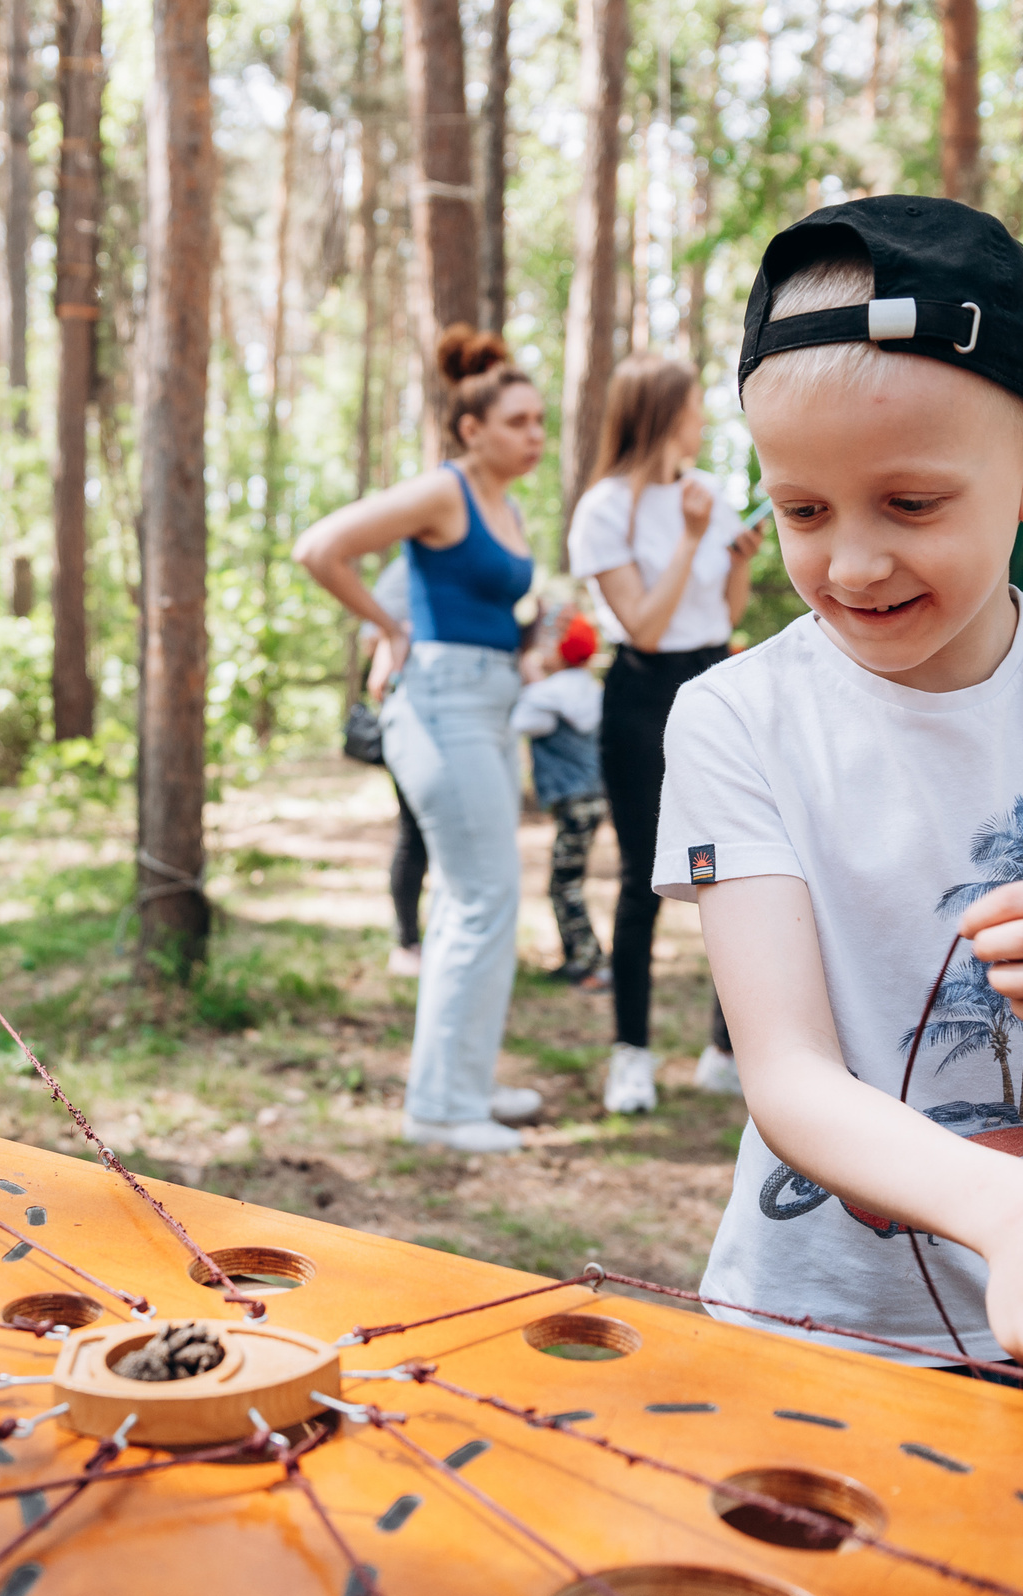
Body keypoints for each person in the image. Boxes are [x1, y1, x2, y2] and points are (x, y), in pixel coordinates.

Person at [661, 198, 1023, 1420]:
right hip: (802, 1341)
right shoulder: (735, 716)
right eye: (802, 510)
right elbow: (788, 1079)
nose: (853, 565)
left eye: (912, 505)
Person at [295, 325, 548, 1153]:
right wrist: (386, 626)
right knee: (482, 898)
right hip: (438, 704)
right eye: (518, 422)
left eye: (540, 422)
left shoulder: (505, 504)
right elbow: (321, 548)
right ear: (472, 428)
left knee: (477, 899)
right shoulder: (445, 492)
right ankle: (439, 1107)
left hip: (485, 702)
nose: (535, 436)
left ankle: (463, 1082)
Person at [566, 352, 768, 1115]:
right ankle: (632, 1055)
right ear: (659, 412)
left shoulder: (705, 493)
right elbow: (644, 626)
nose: (703, 417)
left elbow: (724, 608)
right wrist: (688, 540)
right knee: (642, 879)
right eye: (692, 405)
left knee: (734, 869)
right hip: (643, 692)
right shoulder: (603, 508)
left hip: (715, 682)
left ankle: (724, 1050)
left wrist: (736, 558)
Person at [511, 607, 610, 988]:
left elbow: (520, 719)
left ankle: (589, 964)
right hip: (590, 797)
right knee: (568, 880)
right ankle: (577, 959)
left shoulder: (549, 695)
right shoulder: (586, 688)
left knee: (564, 884)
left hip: (573, 800)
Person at [362, 557, 429, 978]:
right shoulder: (403, 573)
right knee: (414, 838)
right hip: (414, 729)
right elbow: (378, 671)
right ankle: (408, 940)